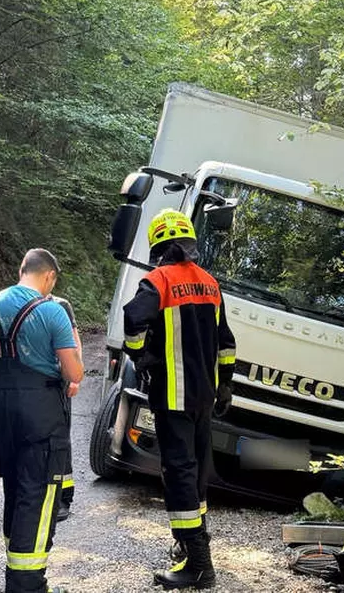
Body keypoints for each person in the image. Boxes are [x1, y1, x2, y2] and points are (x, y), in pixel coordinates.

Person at [122, 209, 236, 590]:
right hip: (205, 395)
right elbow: (226, 343)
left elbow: (133, 322)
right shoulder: (210, 283)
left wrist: (141, 357)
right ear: (189, 243)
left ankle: (199, 565)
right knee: (199, 469)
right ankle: (193, 546)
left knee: (179, 472)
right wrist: (225, 386)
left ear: (159, 247)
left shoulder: (157, 281)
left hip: (173, 395)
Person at [0, 249, 83, 593]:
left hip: (1, 411)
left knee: (14, 490)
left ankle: (18, 571)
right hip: (42, 414)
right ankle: (27, 584)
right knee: (38, 495)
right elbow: (74, 371)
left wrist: (5, 393)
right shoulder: (52, 311)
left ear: (22, 270)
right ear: (49, 277)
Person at [50, 295, 81, 522]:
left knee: (60, 438)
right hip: (31, 382)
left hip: (58, 380)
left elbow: (73, 341)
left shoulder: (61, 305)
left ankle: (63, 496)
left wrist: (74, 377)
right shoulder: (20, 302)